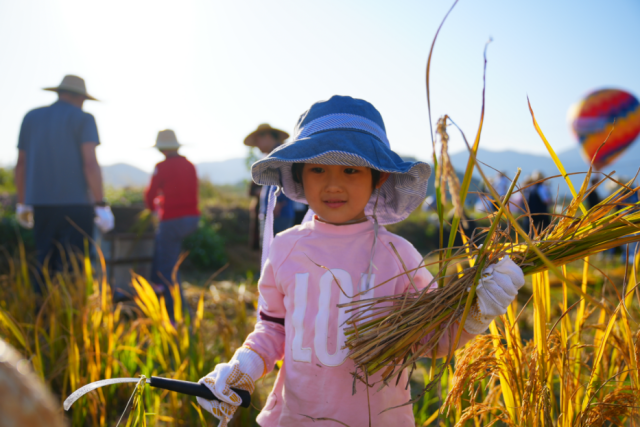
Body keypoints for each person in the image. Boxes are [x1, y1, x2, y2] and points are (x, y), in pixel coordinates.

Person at [196, 96, 525, 426]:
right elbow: (274, 327)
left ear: (378, 177)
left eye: (351, 169)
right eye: (318, 168)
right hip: (296, 418)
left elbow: (431, 338)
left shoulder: (397, 256)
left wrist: (476, 311)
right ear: (299, 175)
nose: (333, 184)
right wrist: (244, 368)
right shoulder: (286, 250)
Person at [14, 75, 113, 292]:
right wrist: (100, 204)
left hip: (41, 206)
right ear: (79, 97)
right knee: (74, 267)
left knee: (45, 264)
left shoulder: (31, 117)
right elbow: (90, 163)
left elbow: (21, 165)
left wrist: (23, 202)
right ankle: (72, 320)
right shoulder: (83, 118)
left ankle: (44, 318)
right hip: (76, 207)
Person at [145, 129, 200, 321]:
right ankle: (160, 294)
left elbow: (150, 195)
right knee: (166, 261)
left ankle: (177, 313)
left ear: (161, 148)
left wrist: (153, 209)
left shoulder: (162, 166)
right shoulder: (189, 165)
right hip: (192, 219)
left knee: (167, 269)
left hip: (172, 220)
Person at [244, 124, 296, 243]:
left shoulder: (280, 155)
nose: (257, 145)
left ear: (267, 136)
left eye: (257, 140)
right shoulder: (272, 156)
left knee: (275, 254)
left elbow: (288, 179)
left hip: (278, 213)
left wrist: (279, 202)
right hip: (274, 213)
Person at [525, 170, 552, 235]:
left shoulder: (529, 188)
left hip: (530, 214)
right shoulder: (541, 188)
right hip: (541, 215)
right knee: (543, 232)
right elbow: (545, 201)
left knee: (531, 234)